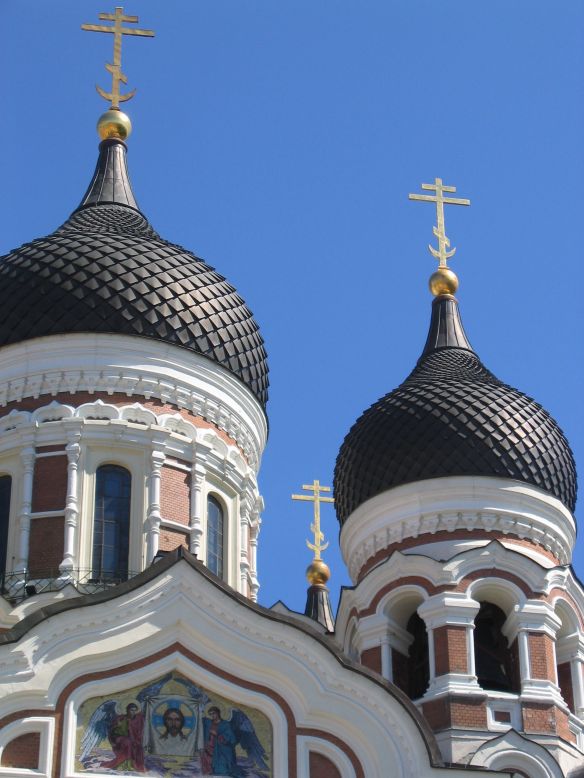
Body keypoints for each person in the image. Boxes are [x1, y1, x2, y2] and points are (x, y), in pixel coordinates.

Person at [201, 706, 243, 777]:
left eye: (213, 713)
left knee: (223, 763)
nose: (212, 716)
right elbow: (200, 720)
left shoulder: (225, 724)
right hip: (210, 746)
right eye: (210, 714)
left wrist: (218, 735)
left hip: (221, 747)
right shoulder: (209, 723)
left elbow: (231, 737)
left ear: (218, 713)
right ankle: (210, 770)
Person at [102, 702, 145, 772]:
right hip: (118, 738)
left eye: (135, 710)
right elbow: (111, 730)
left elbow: (138, 731)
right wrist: (117, 725)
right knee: (128, 742)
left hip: (131, 738)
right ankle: (124, 764)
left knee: (137, 745)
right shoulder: (120, 718)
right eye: (131, 710)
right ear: (127, 710)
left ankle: (132, 764)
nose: (133, 712)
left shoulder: (137, 720)